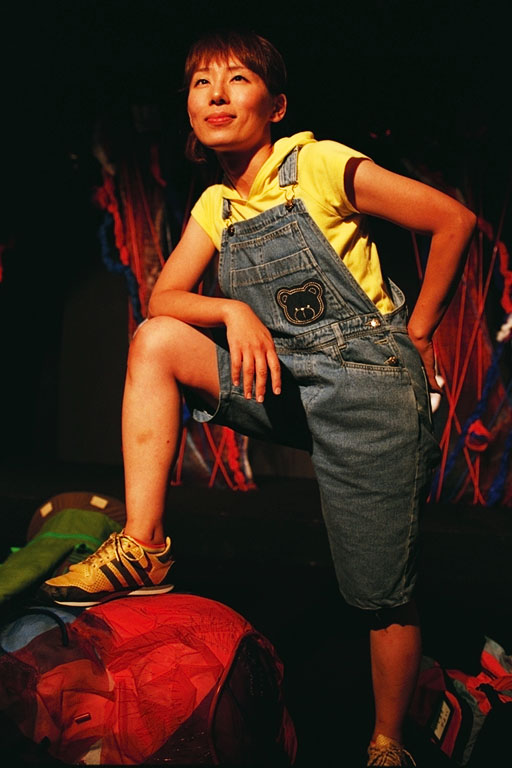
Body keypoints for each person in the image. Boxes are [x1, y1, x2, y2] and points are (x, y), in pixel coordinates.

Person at [43, 28, 476, 767]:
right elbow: (165, 295)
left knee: (379, 592)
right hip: (283, 381)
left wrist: (421, 330)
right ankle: (144, 545)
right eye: (201, 82)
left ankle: (388, 741)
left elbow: (452, 220)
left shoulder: (320, 163)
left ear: (275, 105)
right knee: (156, 338)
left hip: (368, 389)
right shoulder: (216, 204)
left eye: (238, 78)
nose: (217, 93)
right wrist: (232, 311)